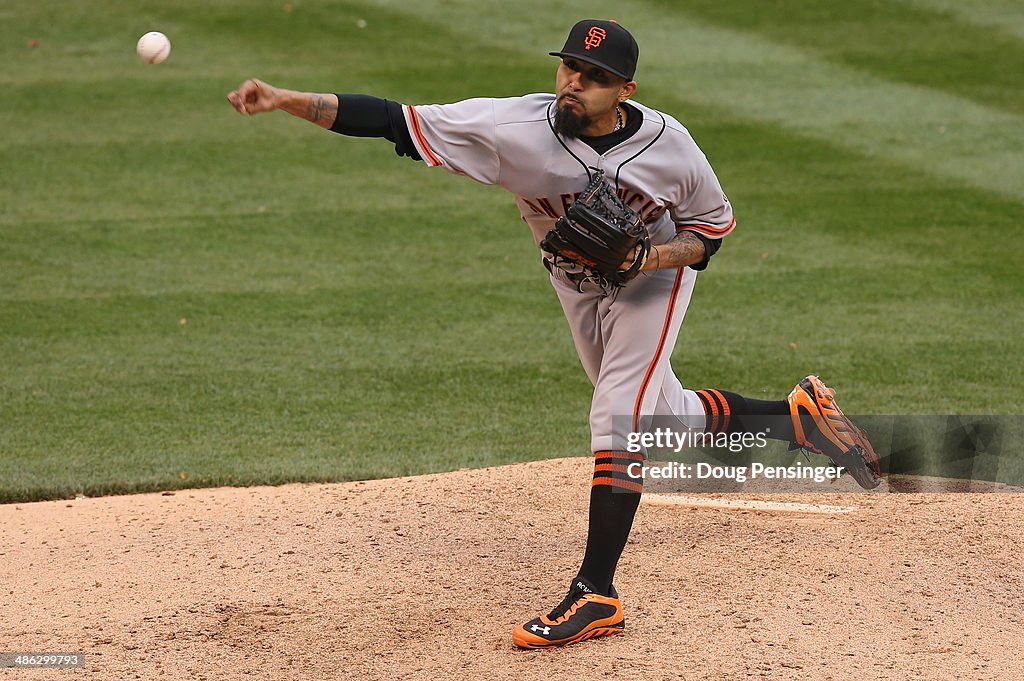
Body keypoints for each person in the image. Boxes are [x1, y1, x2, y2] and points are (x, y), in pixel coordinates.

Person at [227, 18, 882, 649]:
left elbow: (709, 232)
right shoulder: (509, 126)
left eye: (594, 76)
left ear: (625, 90)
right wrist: (284, 99)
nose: (575, 82)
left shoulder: (670, 146)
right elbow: (393, 120)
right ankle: (799, 420)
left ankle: (595, 591)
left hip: (651, 282)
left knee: (618, 413)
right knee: (667, 418)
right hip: (574, 284)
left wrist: (644, 260)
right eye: (570, 66)